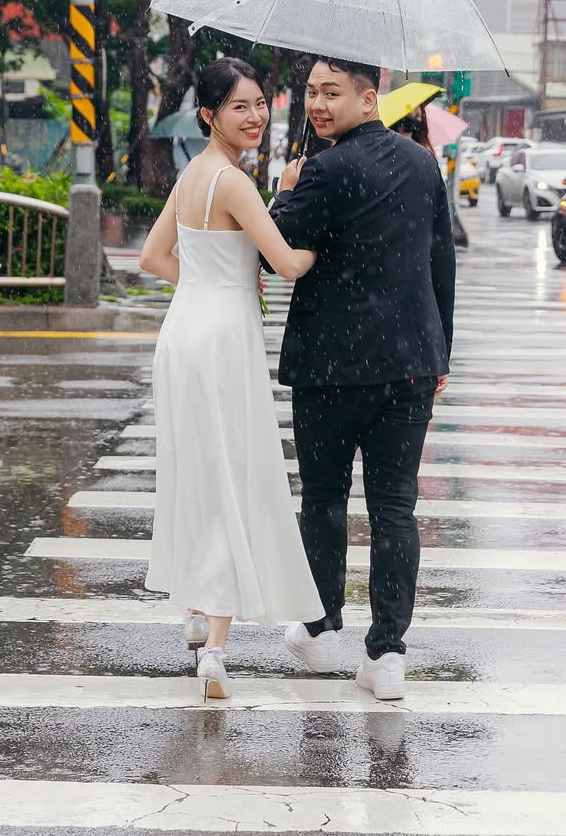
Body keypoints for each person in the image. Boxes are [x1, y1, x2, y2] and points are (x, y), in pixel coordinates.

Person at [267, 56, 456, 701]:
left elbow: (275, 246)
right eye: (311, 92)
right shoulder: (422, 164)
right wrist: (440, 353)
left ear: (369, 98)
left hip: (332, 366)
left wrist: (286, 190)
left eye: (332, 93)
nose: (318, 104)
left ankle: (322, 629)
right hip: (410, 364)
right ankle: (388, 652)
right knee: (395, 506)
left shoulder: (323, 169)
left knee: (324, 498)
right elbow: (441, 263)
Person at [139, 57, 325, 701]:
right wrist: (308, 218)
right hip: (222, 343)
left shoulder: (193, 173)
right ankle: (215, 651)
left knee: (195, 473)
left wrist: (214, 281)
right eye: (239, 106)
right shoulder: (236, 182)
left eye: (260, 104)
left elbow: (153, 257)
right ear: (209, 115)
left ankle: (195, 609)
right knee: (229, 479)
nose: (255, 116)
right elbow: (290, 264)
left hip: (182, 334)